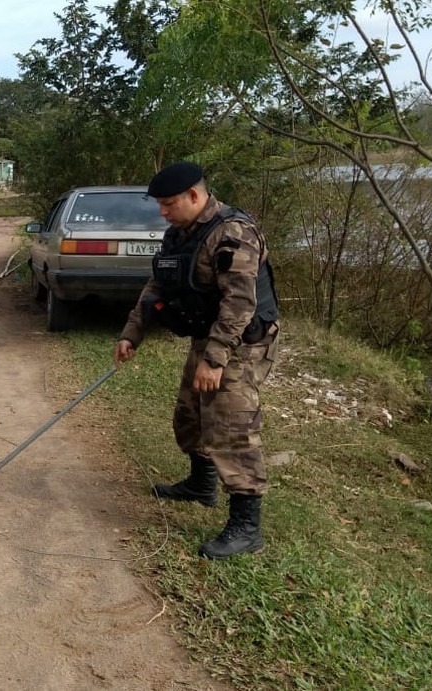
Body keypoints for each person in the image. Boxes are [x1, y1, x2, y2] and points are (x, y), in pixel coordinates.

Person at [113, 161, 280, 559]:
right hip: (209, 337)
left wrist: (216, 358)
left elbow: (240, 302)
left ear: (194, 195)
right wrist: (131, 332)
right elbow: (157, 284)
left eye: (168, 204)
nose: (163, 212)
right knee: (189, 415)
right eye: (160, 205)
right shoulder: (179, 235)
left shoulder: (234, 233)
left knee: (231, 426)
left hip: (240, 341)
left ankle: (246, 526)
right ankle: (200, 484)